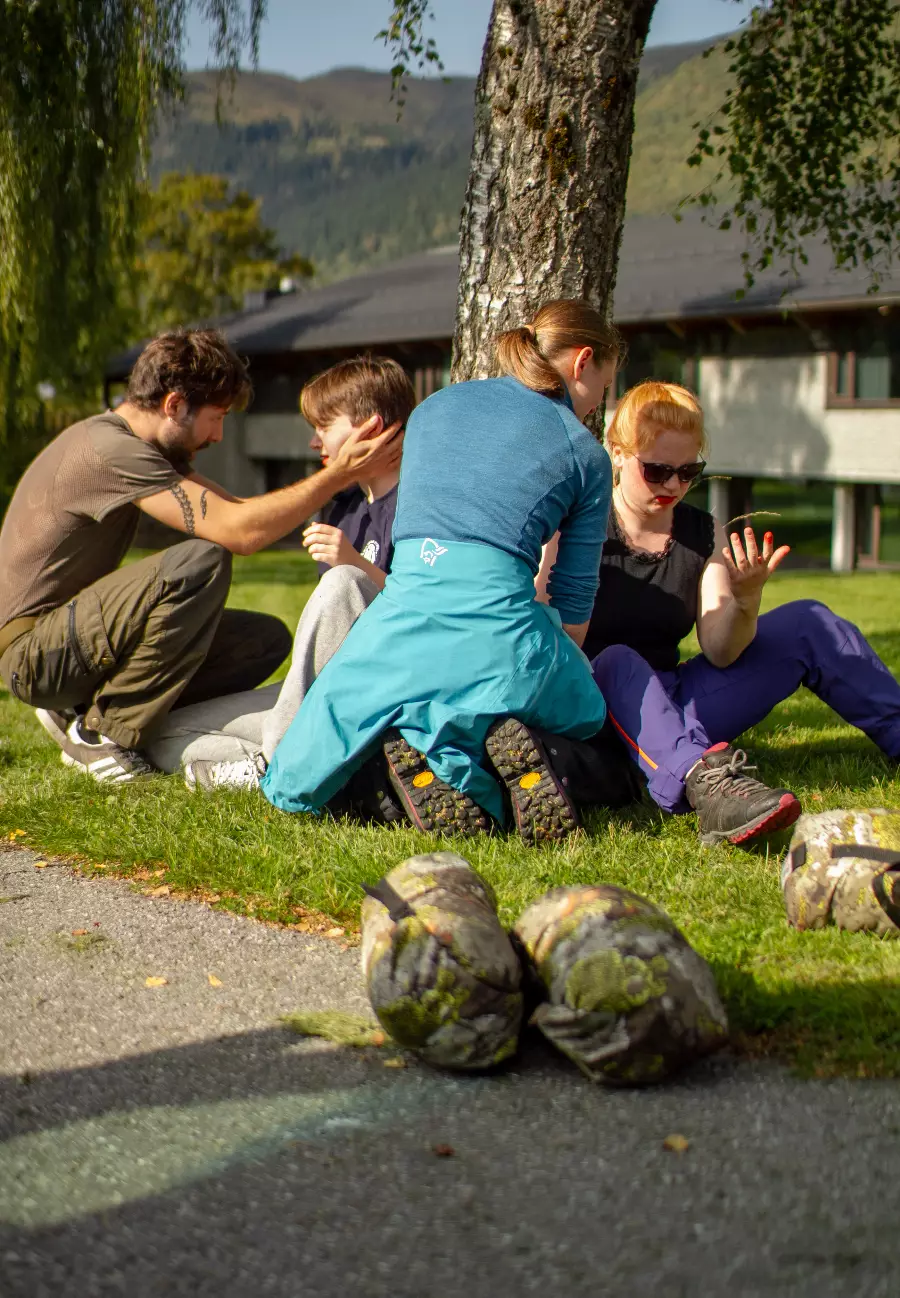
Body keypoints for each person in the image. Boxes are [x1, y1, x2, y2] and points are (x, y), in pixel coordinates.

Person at [259, 299, 622, 843]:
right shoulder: (585, 453)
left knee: (360, 726)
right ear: (583, 361)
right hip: (502, 631)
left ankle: (424, 762)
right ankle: (491, 767)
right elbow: (572, 602)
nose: (597, 402)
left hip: (398, 623)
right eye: (604, 386)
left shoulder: (433, 409)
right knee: (588, 717)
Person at [0, 329, 400, 784]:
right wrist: (339, 474)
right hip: (32, 653)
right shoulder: (111, 450)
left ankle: (85, 706)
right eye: (216, 417)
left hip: (65, 639)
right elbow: (238, 533)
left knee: (262, 640)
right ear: (174, 405)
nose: (218, 435)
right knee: (199, 563)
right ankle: (104, 734)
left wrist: (338, 477)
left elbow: (241, 512)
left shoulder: (140, 447)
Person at [552, 379, 900, 846]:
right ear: (616, 453)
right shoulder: (580, 524)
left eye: (688, 471)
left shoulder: (702, 532)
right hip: (596, 706)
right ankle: (706, 786)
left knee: (809, 621)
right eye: (656, 470)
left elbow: (720, 650)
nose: (673, 485)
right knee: (616, 659)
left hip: (674, 699)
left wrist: (746, 601)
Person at [142, 356, 414, 788]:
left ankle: (281, 763)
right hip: (314, 695)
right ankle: (272, 765)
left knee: (343, 582)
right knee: (164, 733)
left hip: (380, 690)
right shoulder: (341, 508)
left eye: (324, 426)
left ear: (371, 428)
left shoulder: (420, 502)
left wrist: (355, 564)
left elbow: (424, 609)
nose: (314, 441)